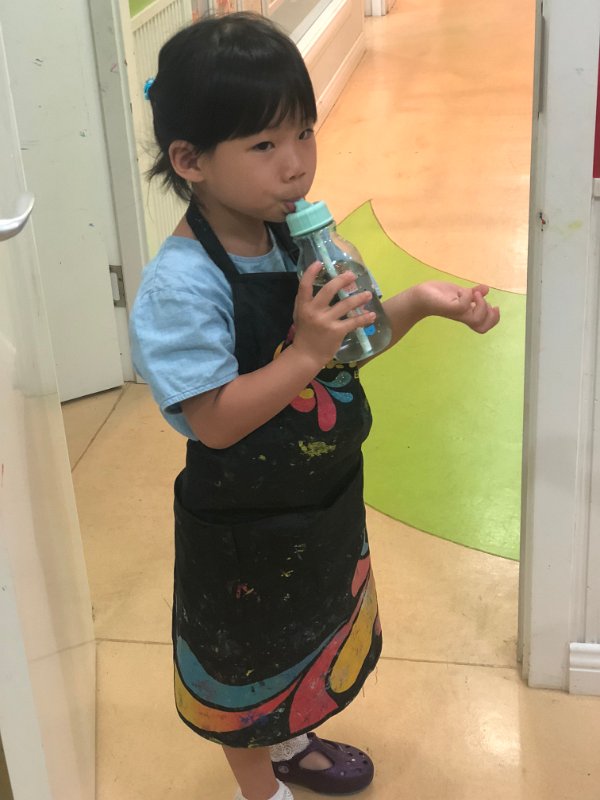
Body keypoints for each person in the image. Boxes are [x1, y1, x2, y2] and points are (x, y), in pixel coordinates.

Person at [129, 12, 500, 800]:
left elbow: (351, 351)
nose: (296, 164)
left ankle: (292, 740)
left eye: (304, 132)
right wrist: (301, 351)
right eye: (265, 145)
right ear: (191, 161)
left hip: (322, 499)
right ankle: (259, 788)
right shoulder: (184, 286)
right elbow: (214, 421)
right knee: (240, 671)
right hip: (241, 527)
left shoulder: (301, 243)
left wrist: (418, 303)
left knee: (301, 642)